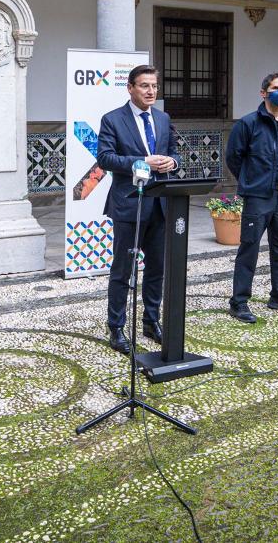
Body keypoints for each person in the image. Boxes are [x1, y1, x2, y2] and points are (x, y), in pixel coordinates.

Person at [96, 64, 179, 354]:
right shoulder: (112, 119)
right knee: (123, 270)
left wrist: (172, 163)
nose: (151, 91)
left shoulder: (163, 117)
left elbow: (174, 151)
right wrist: (143, 161)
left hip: (161, 206)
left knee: (157, 268)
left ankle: (151, 320)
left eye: (154, 86)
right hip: (130, 205)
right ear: (130, 88)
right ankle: (116, 327)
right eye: (144, 85)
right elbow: (106, 159)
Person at [225, 72, 278, 322]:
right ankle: (239, 302)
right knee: (249, 249)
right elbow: (233, 157)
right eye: (275, 87)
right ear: (263, 93)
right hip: (258, 198)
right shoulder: (249, 124)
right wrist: (250, 181)